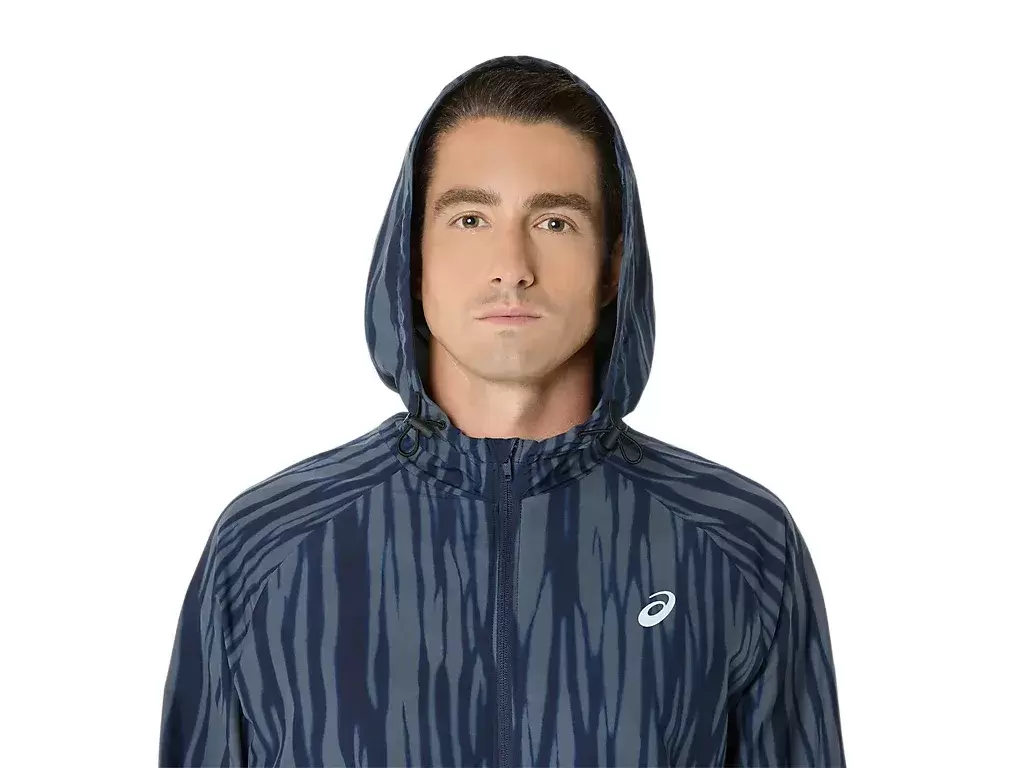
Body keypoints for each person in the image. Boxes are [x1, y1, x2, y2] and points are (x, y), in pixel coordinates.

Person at [159, 54, 847, 767]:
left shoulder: (738, 545)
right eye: (470, 218)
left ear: (612, 266)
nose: (511, 266)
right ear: (414, 258)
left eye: (554, 221)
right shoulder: (269, 549)